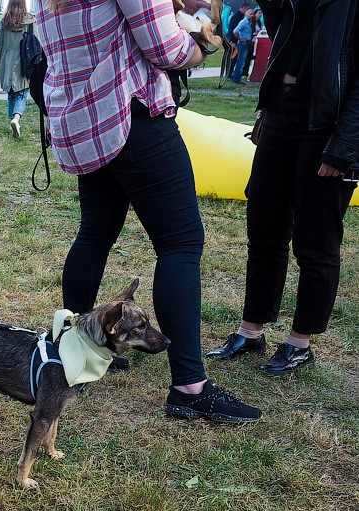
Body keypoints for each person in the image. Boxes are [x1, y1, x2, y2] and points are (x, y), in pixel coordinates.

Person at [38, 0, 262, 422]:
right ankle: (190, 387)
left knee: (94, 234)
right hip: (132, 114)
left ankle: (72, 352)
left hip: (86, 120)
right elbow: (167, 49)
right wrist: (204, 41)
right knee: (181, 243)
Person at [206, 0, 358, 376]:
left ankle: (299, 342)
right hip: (279, 112)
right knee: (264, 230)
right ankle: (250, 332)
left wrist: (344, 147)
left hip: (325, 124)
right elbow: (278, 27)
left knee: (316, 241)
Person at [0, 0, 34, 138]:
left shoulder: (4, 22)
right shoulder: (30, 21)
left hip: (7, 60)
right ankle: (16, 119)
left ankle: (11, 122)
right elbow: (36, 43)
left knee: (11, 92)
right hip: (23, 61)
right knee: (22, 92)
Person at [229, 8, 254, 85]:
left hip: (246, 43)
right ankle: (236, 79)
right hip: (243, 44)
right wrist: (240, 38)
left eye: (252, 14)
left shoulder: (249, 22)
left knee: (241, 62)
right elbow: (235, 31)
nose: (252, 15)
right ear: (246, 13)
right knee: (240, 62)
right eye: (250, 14)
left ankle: (237, 78)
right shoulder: (243, 22)